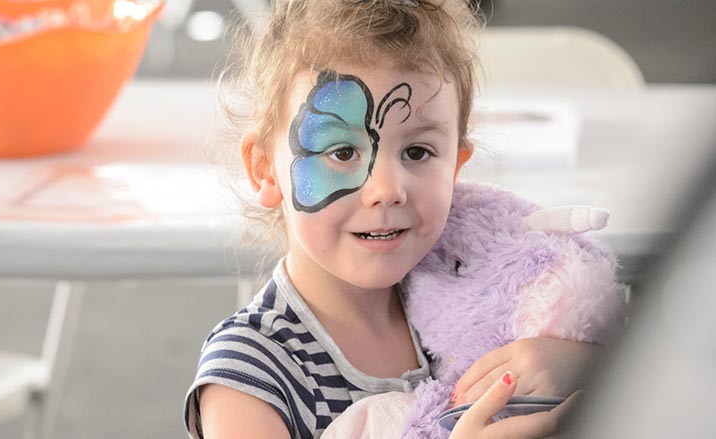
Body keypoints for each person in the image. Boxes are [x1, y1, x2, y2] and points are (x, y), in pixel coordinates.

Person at [184, 1, 596, 438]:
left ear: (455, 166)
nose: (387, 189)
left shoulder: (475, 292)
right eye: (343, 152)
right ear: (266, 170)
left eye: (417, 152)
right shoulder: (250, 372)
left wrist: (578, 362)